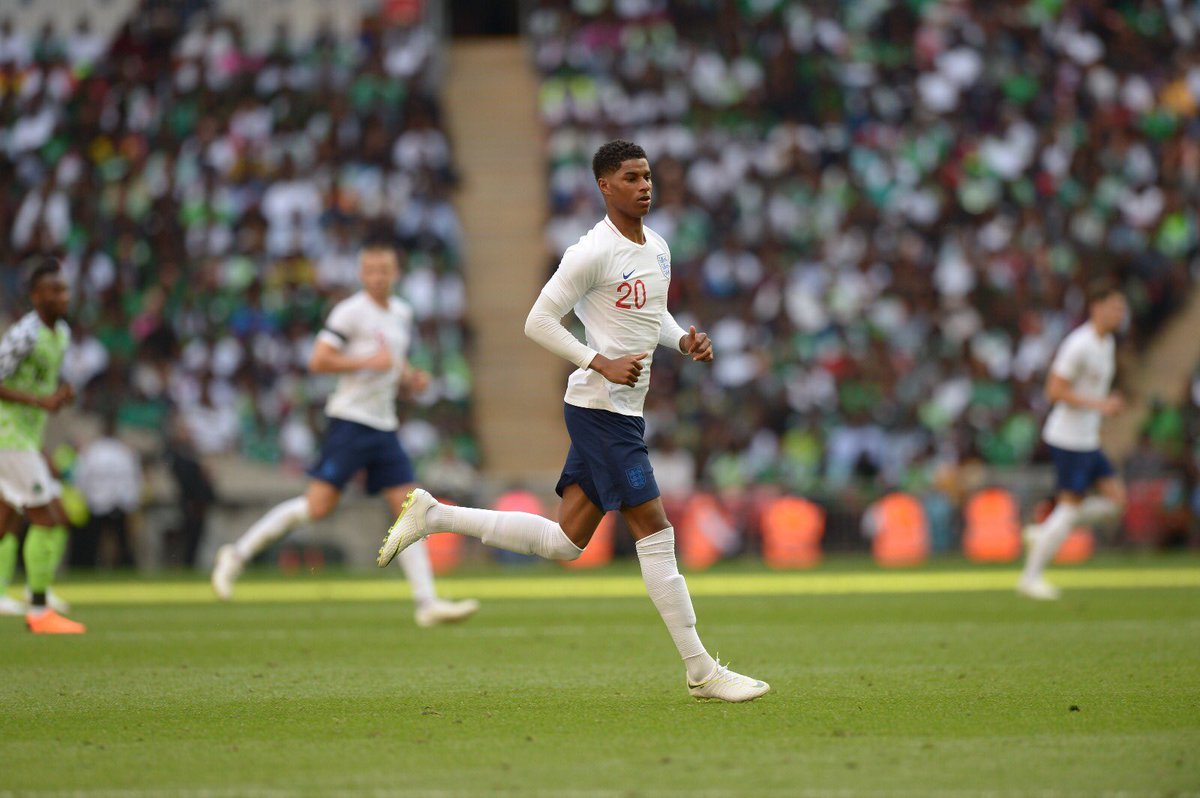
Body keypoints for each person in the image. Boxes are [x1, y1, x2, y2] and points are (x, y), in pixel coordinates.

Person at [378, 140, 769, 701]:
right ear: (605, 187)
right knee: (656, 532)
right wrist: (598, 361)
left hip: (623, 413)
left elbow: (650, 313)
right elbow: (537, 320)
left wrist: (682, 338)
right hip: (600, 409)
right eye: (631, 178)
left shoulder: (656, 248)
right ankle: (702, 670)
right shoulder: (590, 253)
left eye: (647, 176)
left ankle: (435, 514)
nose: (644, 185)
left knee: (566, 543)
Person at [211, 241, 479, 628]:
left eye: (384, 269)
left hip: (384, 425)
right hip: (351, 422)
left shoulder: (401, 313)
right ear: (360, 274)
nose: (377, 277)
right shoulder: (350, 312)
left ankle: (426, 603)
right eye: (370, 270)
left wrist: (409, 379)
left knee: (409, 509)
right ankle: (235, 555)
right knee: (317, 507)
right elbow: (319, 359)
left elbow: (393, 363)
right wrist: (368, 361)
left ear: (395, 273)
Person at [1018, 280, 1129, 600]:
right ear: (1097, 308)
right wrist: (1100, 405)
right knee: (1070, 507)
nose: (1120, 314)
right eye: (1115, 308)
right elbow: (1054, 391)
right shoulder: (1078, 344)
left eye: (1122, 309)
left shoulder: (1106, 343)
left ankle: (1046, 529)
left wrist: (1105, 401)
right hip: (1068, 438)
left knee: (1115, 502)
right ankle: (1030, 577)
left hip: (1088, 438)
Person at [0, 259, 84, 633]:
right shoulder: (24, 334)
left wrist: (59, 395)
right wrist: (41, 402)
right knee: (48, 517)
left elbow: (39, 385)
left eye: (64, 289)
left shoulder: (61, 333)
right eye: (54, 290)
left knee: (5, 521)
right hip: (8, 434)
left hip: (25, 436)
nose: (62, 296)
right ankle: (39, 612)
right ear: (35, 296)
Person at [73, 413, 142, 568]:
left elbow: (81, 477)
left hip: (98, 502)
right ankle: (123, 567)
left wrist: (84, 496)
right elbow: (134, 478)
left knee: (96, 541)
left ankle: (91, 566)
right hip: (118, 502)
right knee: (120, 541)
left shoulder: (91, 451)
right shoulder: (125, 451)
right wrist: (131, 500)